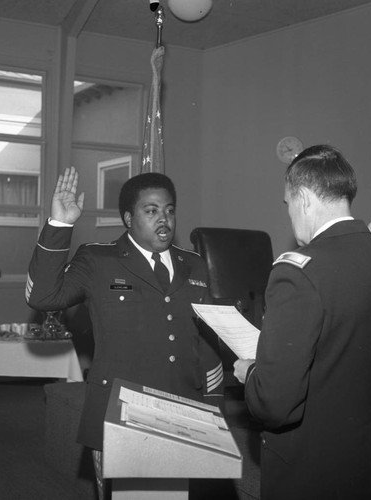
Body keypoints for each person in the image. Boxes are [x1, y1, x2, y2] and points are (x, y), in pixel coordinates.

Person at [234, 145, 371, 500]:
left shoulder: (295, 273)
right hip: (366, 461)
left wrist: (249, 372)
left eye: (288, 203)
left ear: (305, 198)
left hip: (309, 471)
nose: (290, 213)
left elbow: (275, 405)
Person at [25, 167, 224, 497]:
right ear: (129, 218)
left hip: (183, 410)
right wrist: (60, 224)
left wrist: (215, 408)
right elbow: (42, 296)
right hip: (122, 413)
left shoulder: (195, 266)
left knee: (175, 496)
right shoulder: (99, 259)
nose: (164, 219)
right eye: (151, 211)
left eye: (169, 210)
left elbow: (206, 342)